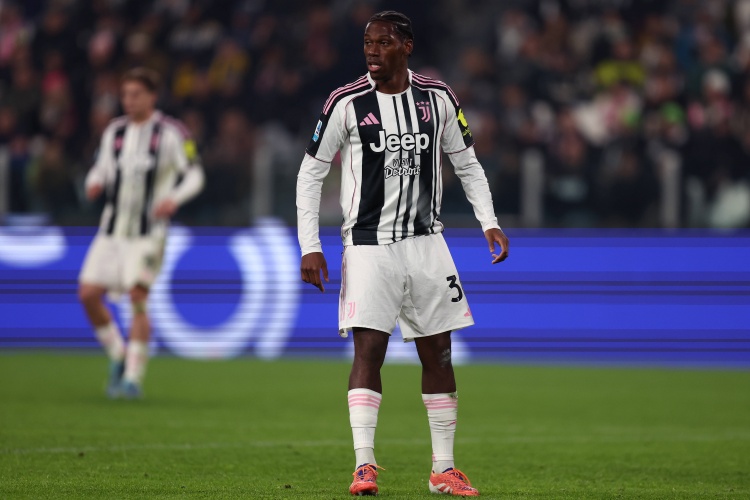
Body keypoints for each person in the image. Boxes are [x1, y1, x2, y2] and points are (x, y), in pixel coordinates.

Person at [296, 11, 509, 497]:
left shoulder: (437, 99)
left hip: (427, 244)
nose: (372, 50)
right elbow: (310, 174)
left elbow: (467, 163)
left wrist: (489, 220)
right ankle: (364, 465)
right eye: (367, 42)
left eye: (383, 42)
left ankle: (443, 469)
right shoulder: (346, 102)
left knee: (439, 353)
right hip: (369, 245)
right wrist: (311, 245)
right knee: (369, 350)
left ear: (406, 46)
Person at [78, 67, 205, 399]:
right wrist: (94, 182)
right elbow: (101, 168)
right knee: (88, 294)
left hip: (149, 234)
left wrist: (173, 198)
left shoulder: (172, 133)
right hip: (111, 231)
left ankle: (133, 378)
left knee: (137, 297)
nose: (129, 100)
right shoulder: (114, 131)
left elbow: (195, 174)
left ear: (152, 96)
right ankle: (118, 354)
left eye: (136, 94)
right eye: (125, 94)